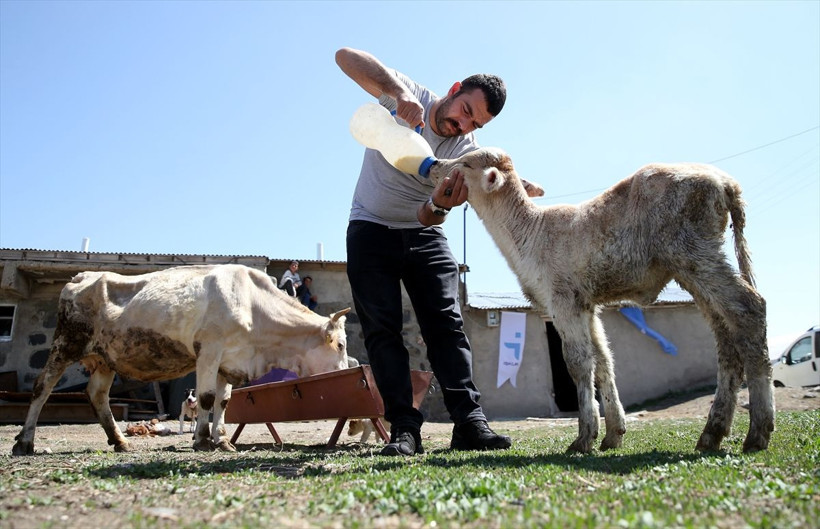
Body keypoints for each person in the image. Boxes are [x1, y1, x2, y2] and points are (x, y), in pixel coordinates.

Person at [336, 47, 512, 456]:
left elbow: (428, 214)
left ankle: (469, 423)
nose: (463, 123)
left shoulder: (465, 152)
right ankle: (404, 429)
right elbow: (345, 57)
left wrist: (437, 207)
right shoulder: (412, 95)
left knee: (446, 325)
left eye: (475, 122)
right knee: (382, 330)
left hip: (422, 232)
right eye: (465, 109)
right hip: (369, 228)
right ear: (453, 91)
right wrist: (398, 94)